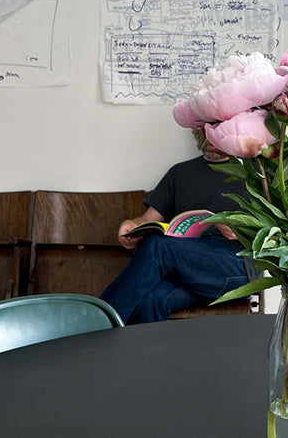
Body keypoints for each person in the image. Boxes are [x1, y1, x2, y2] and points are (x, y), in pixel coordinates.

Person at [99, 132, 257, 324]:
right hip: (185, 269)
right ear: (197, 131)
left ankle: (97, 326)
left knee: (160, 247)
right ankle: (142, 354)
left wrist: (241, 229)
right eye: (205, 128)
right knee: (152, 300)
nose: (212, 135)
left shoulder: (254, 173)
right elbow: (147, 220)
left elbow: (275, 233)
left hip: (234, 270)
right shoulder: (180, 173)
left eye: (219, 128)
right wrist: (132, 225)